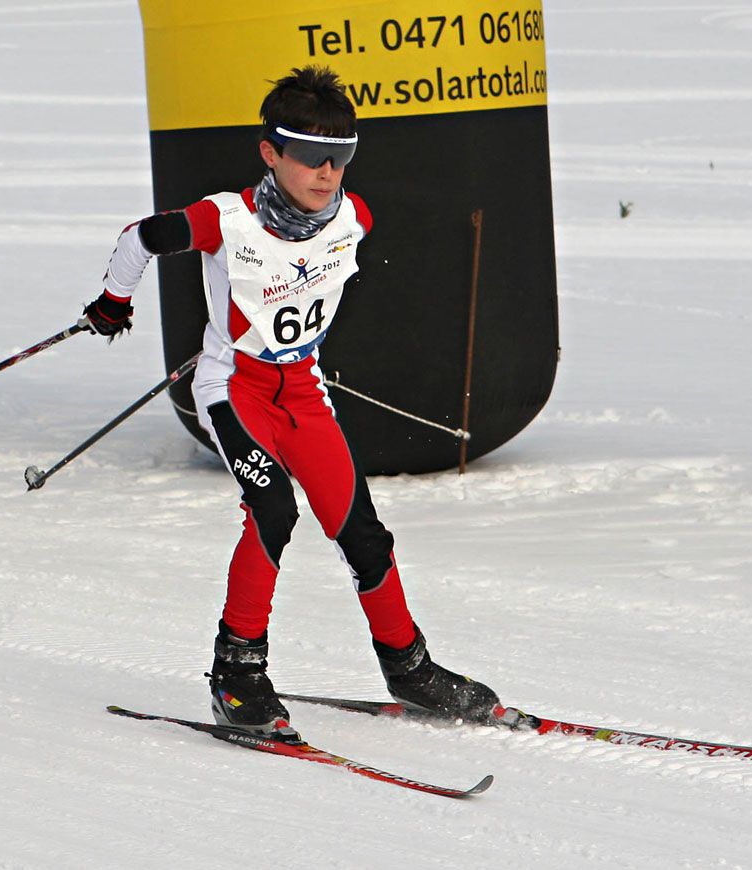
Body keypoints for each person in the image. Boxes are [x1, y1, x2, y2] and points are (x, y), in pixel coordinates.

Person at [80, 66, 500, 737]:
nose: (328, 173)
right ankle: (237, 674)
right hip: (234, 390)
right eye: (311, 157)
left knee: (360, 529)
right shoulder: (226, 219)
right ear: (271, 153)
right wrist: (111, 303)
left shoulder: (354, 219)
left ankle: (409, 667)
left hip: (302, 391)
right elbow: (139, 238)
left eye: (342, 158)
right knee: (273, 506)